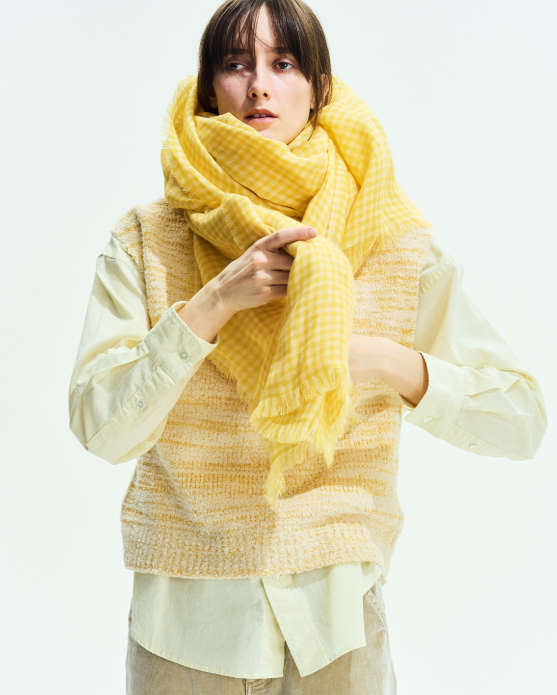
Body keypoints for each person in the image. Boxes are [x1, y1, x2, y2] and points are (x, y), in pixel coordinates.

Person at [68, 1, 546, 693]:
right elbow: (100, 426)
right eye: (236, 64)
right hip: (185, 628)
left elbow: (523, 419)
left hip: (338, 627)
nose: (259, 85)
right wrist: (210, 306)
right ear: (209, 89)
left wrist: (382, 361)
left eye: (283, 63)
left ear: (318, 88)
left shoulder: (390, 239)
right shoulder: (147, 238)